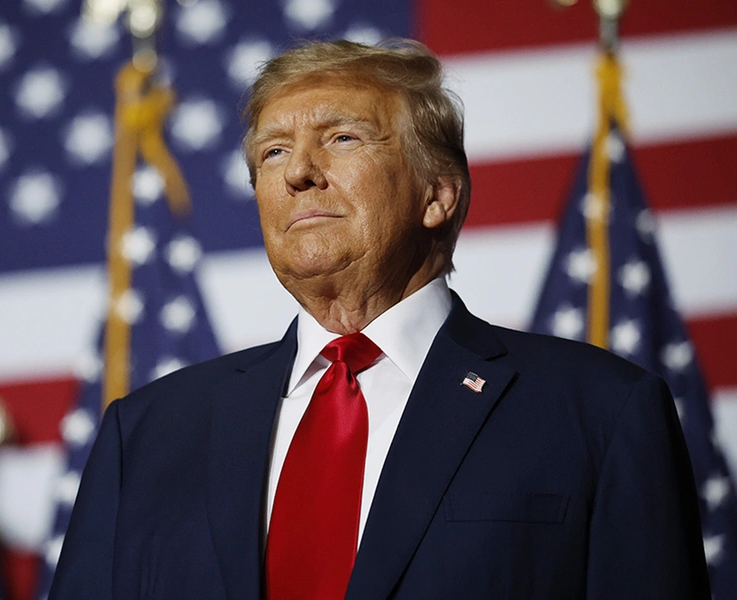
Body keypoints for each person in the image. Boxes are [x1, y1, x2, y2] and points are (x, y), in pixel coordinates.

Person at [48, 39, 710, 599]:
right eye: (273, 152)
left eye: (341, 137)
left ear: (437, 194)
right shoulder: (147, 435)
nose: (300, 171)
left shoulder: (599, 412)